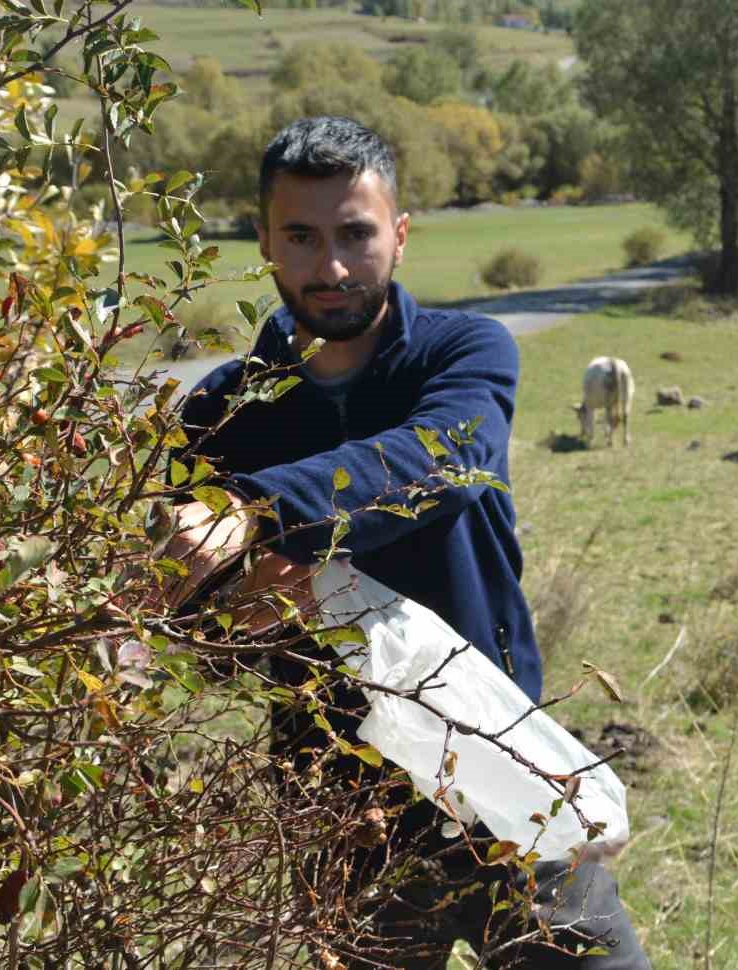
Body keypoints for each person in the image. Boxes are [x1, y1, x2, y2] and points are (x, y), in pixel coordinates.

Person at [171, 116, 649, 968]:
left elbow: (440, 458)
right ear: (264, 242)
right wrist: (219, 601)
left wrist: (252, 511)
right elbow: (198, 622)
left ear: (399, 233)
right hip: (341, 809)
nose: (333, 267)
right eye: (302, 237)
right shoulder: (220, 411)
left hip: (501, 772)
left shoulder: (465, 352)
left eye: (356, 233)